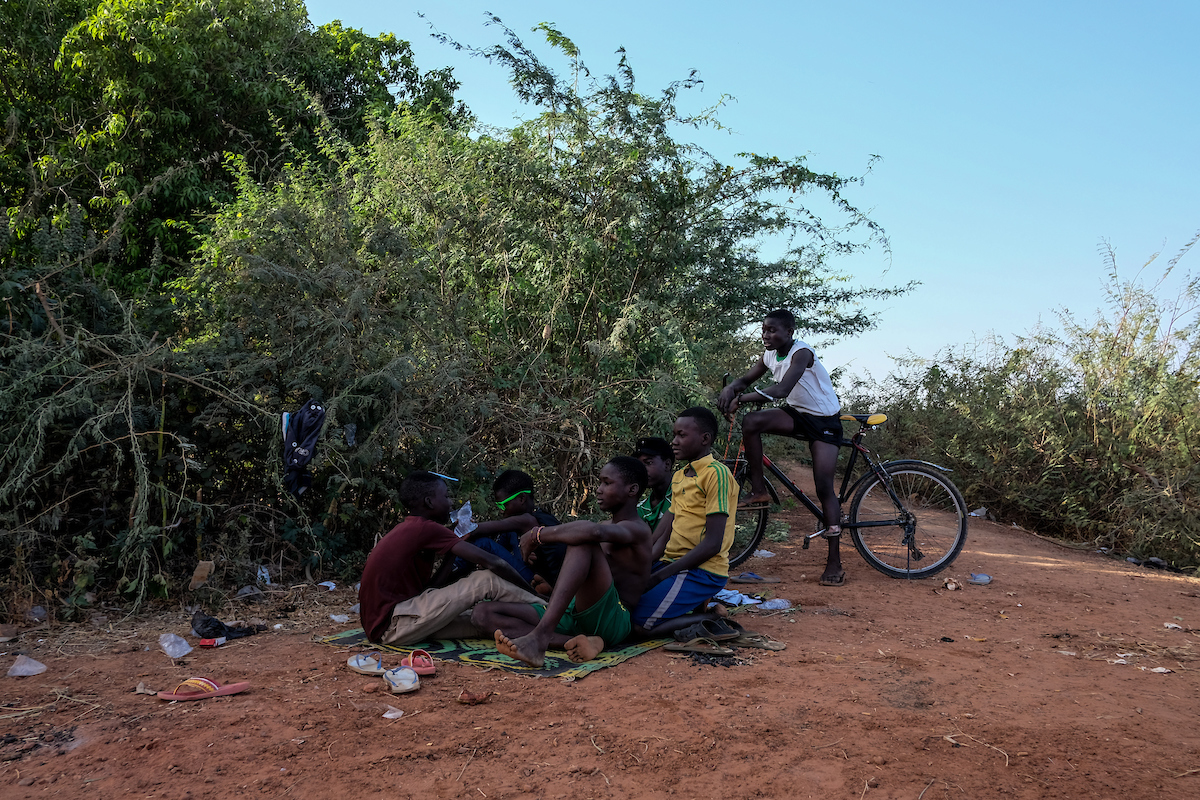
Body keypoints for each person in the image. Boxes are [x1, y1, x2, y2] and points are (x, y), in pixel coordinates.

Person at [471, 457, 653, 668]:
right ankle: (578, 642)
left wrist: (536, 534)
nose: (599, 489)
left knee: (583, 541)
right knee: (482, 614)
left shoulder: (638, 529)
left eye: (607, 483)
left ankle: (540, 638)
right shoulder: (604, 525)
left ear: (632, 490)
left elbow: (591, 532)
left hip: (614, 618)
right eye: (600, 482)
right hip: (576, 612)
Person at [717, 308, 846, 586]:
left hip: (824, 420)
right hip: (798, 414)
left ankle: (834, 562)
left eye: (772, 330)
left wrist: (741, 398)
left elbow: (781, 390)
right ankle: (759, 490)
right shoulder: (769, 355)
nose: (766, 335)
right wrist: (731, 389)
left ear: (789, 332)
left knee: (824, 487)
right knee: (752, 423)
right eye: (764, 330)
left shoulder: (802, 353)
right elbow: (745, 380)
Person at [358, 471, 544, 645]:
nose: (451, 502)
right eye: (446, 496)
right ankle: (549, 609)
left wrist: (451, 549)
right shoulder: (425, 528)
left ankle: (551, 633)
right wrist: (533, 593)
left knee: (483, 622)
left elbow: (431, 589)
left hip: (392, 625)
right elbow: (493, 562)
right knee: (485, 580)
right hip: (394, 624)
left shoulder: (413, 527)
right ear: (429, 502)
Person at [631, 407, 738, 637]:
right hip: (672, 564)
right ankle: (686, 606)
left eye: (681, 435)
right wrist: (643, 562)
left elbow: (713, 544)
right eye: (674, 435)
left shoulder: (716, 474)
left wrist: (659, 576)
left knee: (639, 626)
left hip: (702, 570)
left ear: (704, 439)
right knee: (624, 602)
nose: (674, 441)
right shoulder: (679, 477)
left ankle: (711, 617)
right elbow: (665, 531)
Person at [451, 469, 567, 591]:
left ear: (521, 498)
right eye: (498, 506)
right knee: (497, 540)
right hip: (529, 572)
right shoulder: (519, 523)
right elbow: (498, 544)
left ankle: (450, 575)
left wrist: (468, 528)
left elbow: (487, 528)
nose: (501, 510)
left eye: (503, 505)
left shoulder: (529, 520)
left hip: (541, 581)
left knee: (483, 543)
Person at [632, 436, 673, 531]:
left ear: (667, 464)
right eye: (640, 465)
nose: (642, 470)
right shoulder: (641, 510)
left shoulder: (683, 496)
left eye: (648, 463)